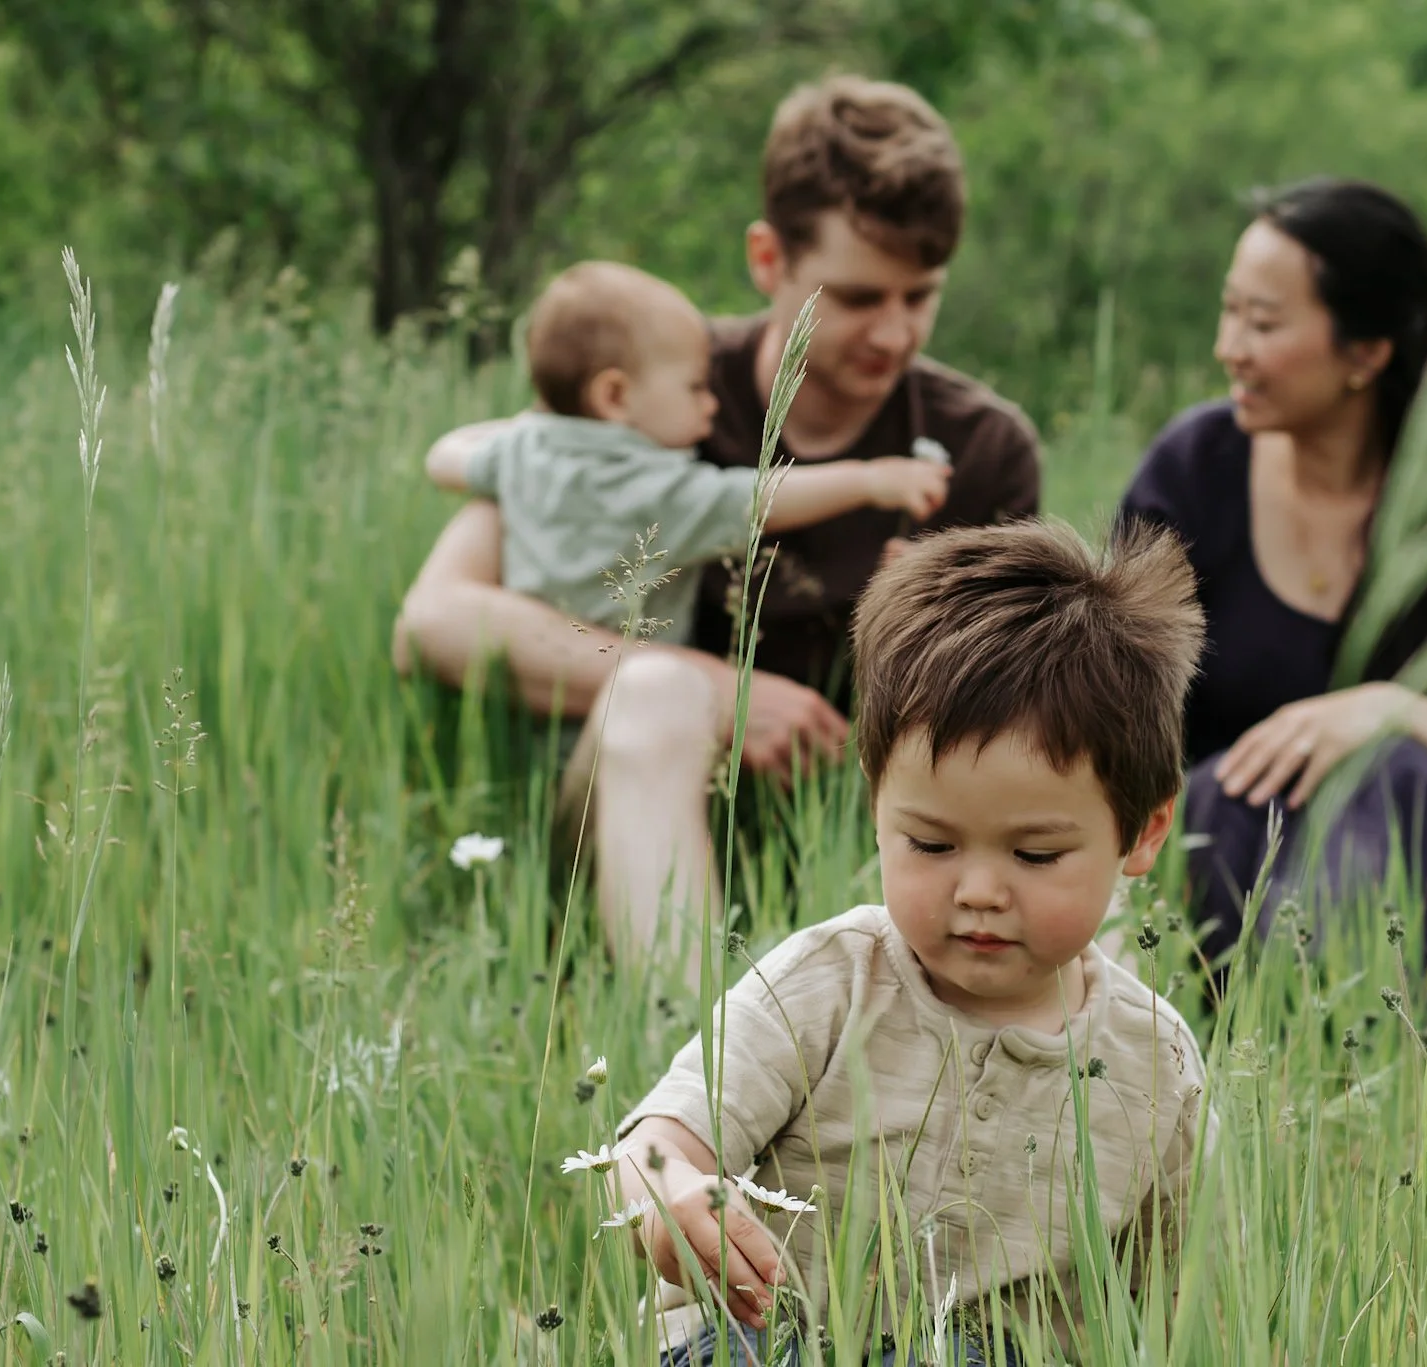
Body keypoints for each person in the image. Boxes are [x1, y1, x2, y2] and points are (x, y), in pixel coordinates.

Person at [392, 78, 1042, 969]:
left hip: (872, 838)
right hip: (633, 798)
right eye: (856, 298)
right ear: (768, 259)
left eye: (919, 296)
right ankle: (692, 1065)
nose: (895, 334)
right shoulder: (649, 380)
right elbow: (436, 621)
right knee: (655, 700)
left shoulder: (982, 447)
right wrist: (714, 690)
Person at [585, 520, 1211, 1364]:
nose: (979, 890)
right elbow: (663, 1134)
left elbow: (1184, 1304)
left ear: (1143, 831)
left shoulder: (1155, 1065)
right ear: (878, 805)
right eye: (931, 844)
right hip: (772, 1337)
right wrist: (672, 1194)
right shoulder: (831, 982)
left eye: (1034, 854)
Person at [1115, 177, 1427, 971]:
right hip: (1211, 883)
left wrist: (1392, 712)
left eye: (1262, 321)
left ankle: (1397, 1053)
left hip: (1407, 901)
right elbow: (1113, 697)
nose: (1227, 346)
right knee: (1225, 792)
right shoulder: (1193, 471)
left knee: (1393, 772)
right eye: (1229, 308)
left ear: (1367, 351)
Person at [423, 261, 950, 655]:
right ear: (615, 397)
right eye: (696, 387)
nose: (712, 403)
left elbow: (443, 458)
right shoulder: (649, 490)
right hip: (620, 705)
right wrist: (869, 480)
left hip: (533, 696)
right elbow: (755, 498)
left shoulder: (523, 450)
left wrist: (528, 434)